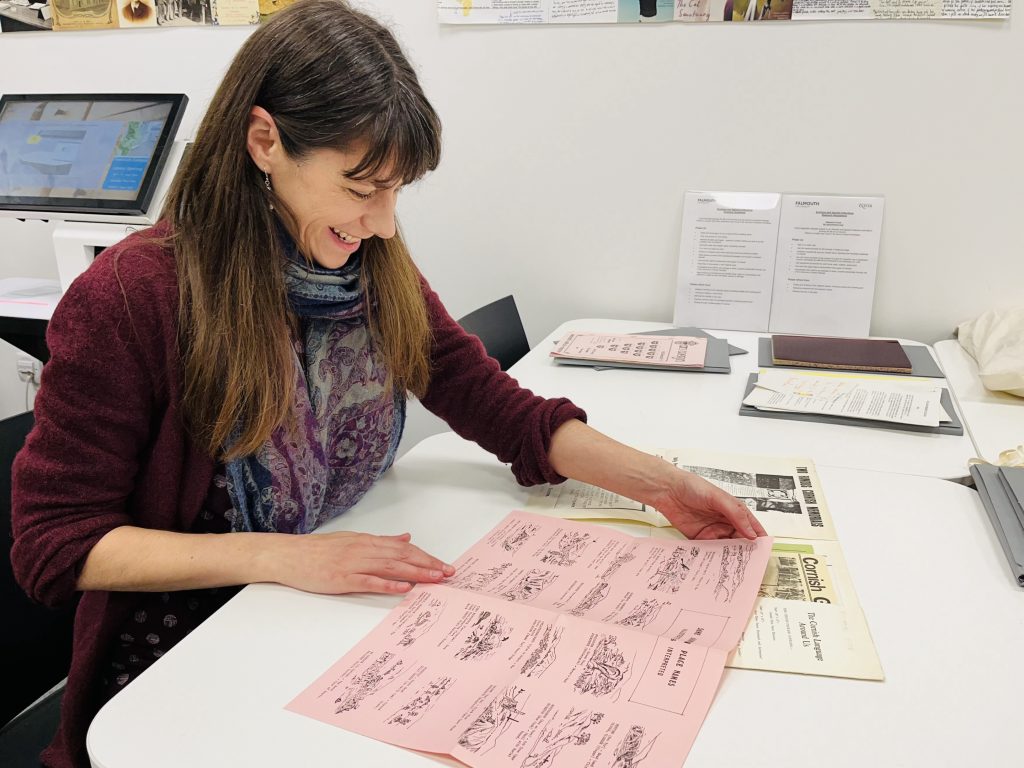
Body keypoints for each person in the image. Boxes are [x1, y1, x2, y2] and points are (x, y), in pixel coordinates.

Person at [9, 1, 766, 766]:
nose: (384, 223)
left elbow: (488, 400)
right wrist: (280, 555)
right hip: (179, 671)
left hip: (317, 624)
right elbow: (54, 543)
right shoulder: (132, 297)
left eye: (398, 191)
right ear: (265, 141)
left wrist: (657, 483)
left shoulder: (364, 265)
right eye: (362, 187)